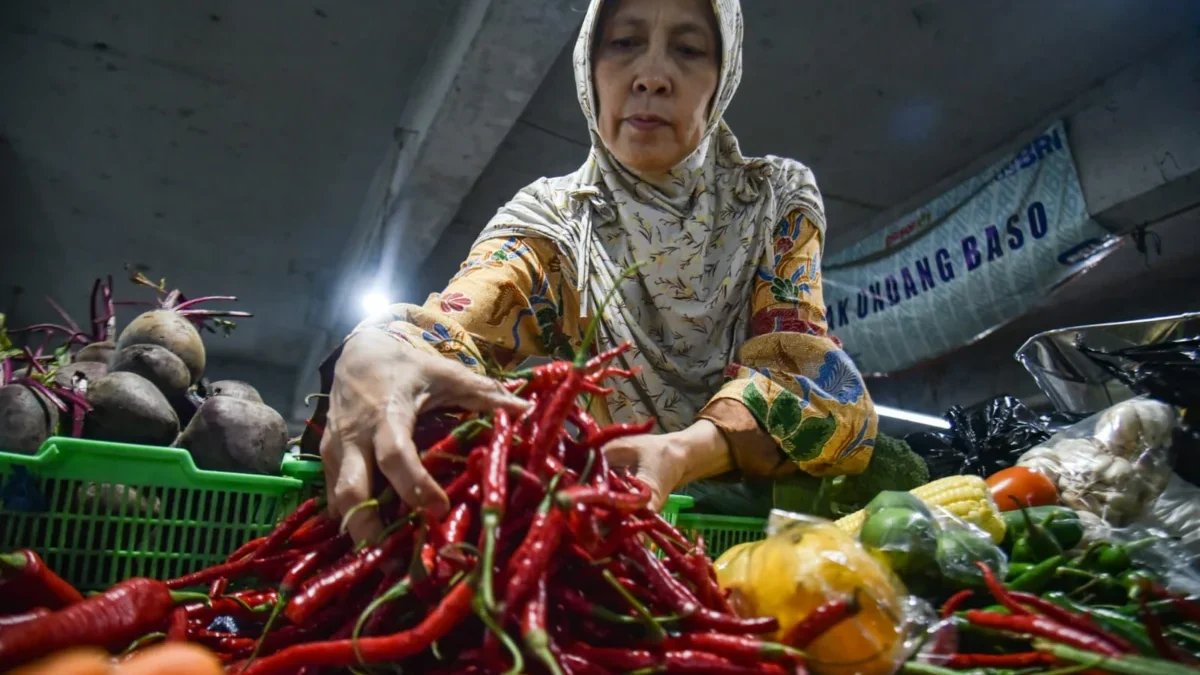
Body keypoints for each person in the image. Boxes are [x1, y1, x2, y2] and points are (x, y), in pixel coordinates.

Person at [303, 0, 878, 543]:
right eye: (624, 43)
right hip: (614, 521)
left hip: (756, 533)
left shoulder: (773, 199)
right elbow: (460, 320)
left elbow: (806, 373)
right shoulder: (551, 220)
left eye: (689, 50)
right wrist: (379, 348)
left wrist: (682, 454)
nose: (651, 75)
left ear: (724, 74)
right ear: (589, 65)